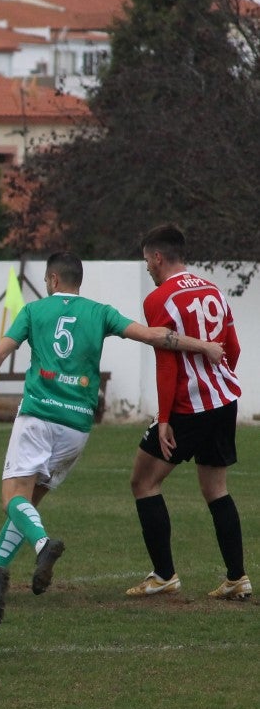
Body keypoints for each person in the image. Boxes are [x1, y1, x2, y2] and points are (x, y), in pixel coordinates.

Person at [0, 252, 225, 625]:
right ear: (77, 280)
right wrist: (203, 346)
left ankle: (42, 545)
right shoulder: (100, 312)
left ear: (52, 280)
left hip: (38, 417)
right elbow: (154, 337)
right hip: (77, 427)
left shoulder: (35, 312)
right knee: (29, 502)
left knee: (11, 498)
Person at [127, 224, 248, 600]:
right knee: (216, 489)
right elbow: (233, 347)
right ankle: (237, 578)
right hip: (224, 401)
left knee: (143, 482)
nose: (147, 266)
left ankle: (164, 575)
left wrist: (164, 418)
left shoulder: (159, 298)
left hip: (187, 407)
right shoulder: (213, 290)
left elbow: (167, 366)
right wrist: (218, 385)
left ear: (158, 257)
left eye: (147, 259)